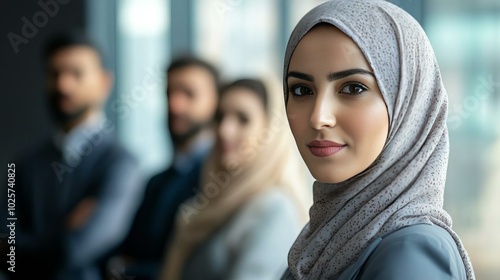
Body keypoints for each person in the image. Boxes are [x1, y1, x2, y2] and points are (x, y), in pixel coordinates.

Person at [280, 1, 476, 279]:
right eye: (301, 90)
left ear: (409, 103)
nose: (318, 117)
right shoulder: (330, 233)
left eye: (353, 88)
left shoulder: (412, 254)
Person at [2, 31, 143, 280]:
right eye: (54, 74)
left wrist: (24, 247)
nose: (62, 85)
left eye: (76, 74)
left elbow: (76, 249)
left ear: (104, 83)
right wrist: (63, 231)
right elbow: (5, 253)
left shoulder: (121, 164)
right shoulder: (23, 166)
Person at [161, 79, 310, 280]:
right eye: (220, 117)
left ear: (272, 132)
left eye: (243, 119)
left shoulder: (275, 208)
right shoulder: (215, 200)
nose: (224, 130)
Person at [115, 57, 220, 279]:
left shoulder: (220, 178)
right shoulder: (155, 181)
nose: (175, 105)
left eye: (189, 94)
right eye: (169, 93)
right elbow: (129, 249)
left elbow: (199, 267)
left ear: (216, 101)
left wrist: (128, 270)